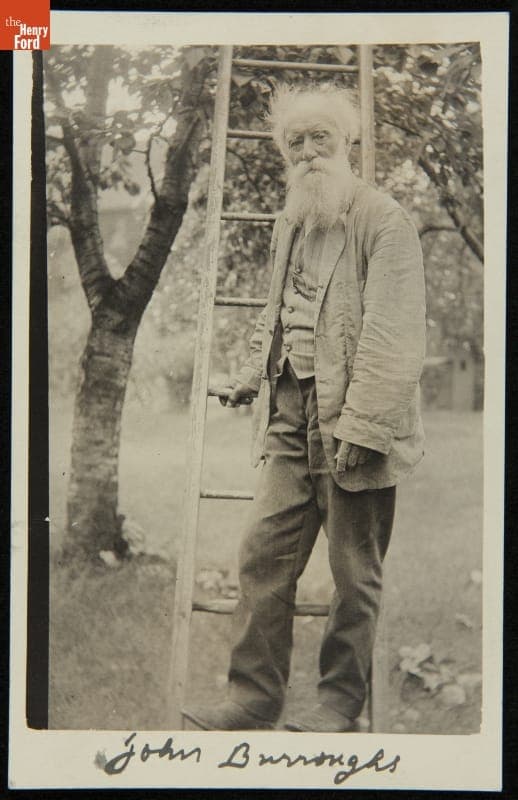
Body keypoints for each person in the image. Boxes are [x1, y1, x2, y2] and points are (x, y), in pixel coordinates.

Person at [184, 84, 426, 732]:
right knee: (262, 555)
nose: (309, 151)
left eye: (321, 137)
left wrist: (366, 426)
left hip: (354, 422)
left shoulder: (383, 219)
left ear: (347, 143)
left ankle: (338, 706)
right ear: (285, 155)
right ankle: (252, 698)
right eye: (297, 142)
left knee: (354, 575)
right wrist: (248, 377)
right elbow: (279, 317)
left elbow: (393, 334)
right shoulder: (291, 221)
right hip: (290, 418)